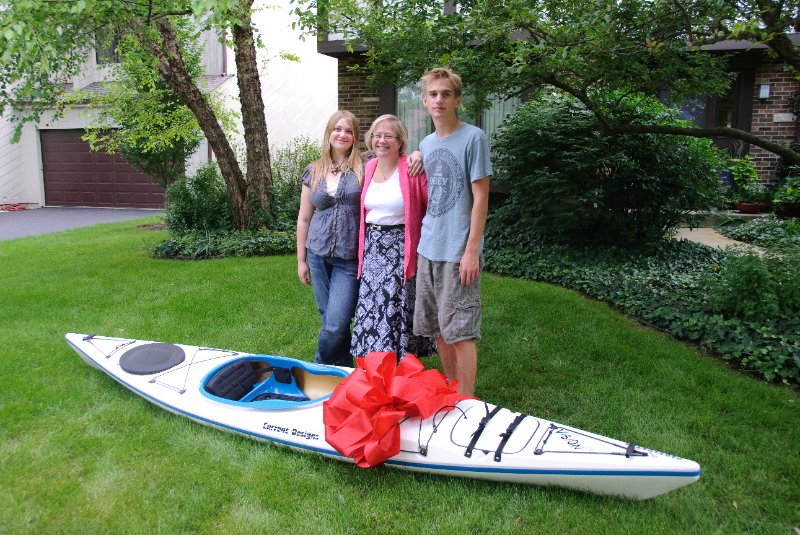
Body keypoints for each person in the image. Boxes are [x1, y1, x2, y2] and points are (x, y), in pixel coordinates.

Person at [409, 67, 492, 396]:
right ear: (425, 101)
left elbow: (481, 197)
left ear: (457, 100)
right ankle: (452, 390)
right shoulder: (426, 143)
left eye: (446, 94)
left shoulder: (473, 138)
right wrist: (417, 152)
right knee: (439, 328)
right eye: (433, 94)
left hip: (458, 250)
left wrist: (471, 251)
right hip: (428, 247)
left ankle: (467, 401)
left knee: (460, 330)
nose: (439, 100)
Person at [351, 115, 437, 361]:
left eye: (389, 136)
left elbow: (432, 206)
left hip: (399, 248)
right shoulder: (369, 167)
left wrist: (420, 154)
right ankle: (373, 363)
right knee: (373, 305)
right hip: (372, 248)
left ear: (400, 141)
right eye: (377, 135)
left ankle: (398, 363)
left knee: (393, 305)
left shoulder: (411, 168)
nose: (382, 140)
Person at [296, 110, 364, 367]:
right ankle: (344, 370)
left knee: (335, 323)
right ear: (329, 133)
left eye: (348, 131)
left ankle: (318, 369)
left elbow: (395, 158)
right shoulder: (313, 170)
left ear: (355, 137)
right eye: (337, 129)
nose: (342, 134)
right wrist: (301, 260)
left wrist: (416, 155)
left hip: (349, 257)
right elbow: (304, 218)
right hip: (317, 254)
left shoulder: (365, 166)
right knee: (330, 318)